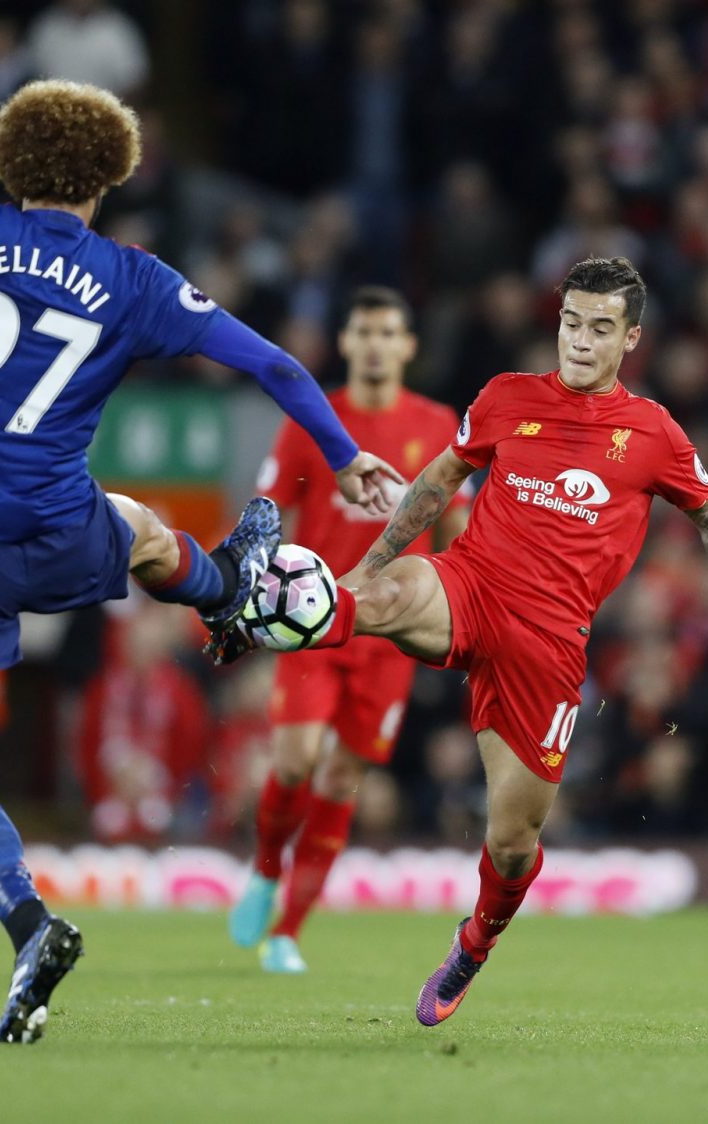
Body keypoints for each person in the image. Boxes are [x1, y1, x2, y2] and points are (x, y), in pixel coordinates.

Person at [0, 84, 398, 1042]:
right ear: (110, 177)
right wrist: (345, 453)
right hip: (59, 527)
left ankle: (28, 922)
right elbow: (273, 365)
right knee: (140, 528)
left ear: (9, 162)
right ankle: (228, 593)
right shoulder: (133, 277)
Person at [211, 257, 708, 1025]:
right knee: (385, 597)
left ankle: (474, 943)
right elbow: (438, 482)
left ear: (630, 339)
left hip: (548, 641)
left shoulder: (653, 433)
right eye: (571, 323)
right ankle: (252, 615)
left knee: (512, 841)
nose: (580, 341)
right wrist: (368, 570)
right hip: (471, 583)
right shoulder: (506, 397)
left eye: (600, 329)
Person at [229, 286, 471, 972]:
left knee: (340, 782)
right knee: (294, 762)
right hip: (312, 624)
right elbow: (267, 513)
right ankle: (266, 868)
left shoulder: (436, 423)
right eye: (363, 332)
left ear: (408, 346)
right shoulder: (315, 418)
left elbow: (456, 532)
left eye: (387, 332)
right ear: (344, 342)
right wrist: (241, 602)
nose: (374, 345)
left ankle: (287, 933)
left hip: (392, 638)